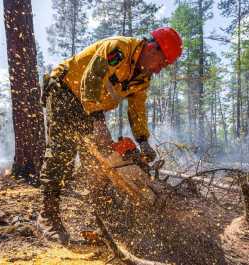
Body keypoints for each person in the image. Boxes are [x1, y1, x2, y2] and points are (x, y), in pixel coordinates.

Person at [36, 27, 183, 244]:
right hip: (64, 88)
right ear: (152, 49)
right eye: (161, 63)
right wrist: (98, 121)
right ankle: (48, 215)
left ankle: (106, 219)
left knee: (97, 162)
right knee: (63, 151)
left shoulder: (142, 79)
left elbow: (137, 109)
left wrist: (143, 141)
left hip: (89, 104)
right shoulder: (118, 49)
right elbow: (91, 79)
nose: (160, 70)